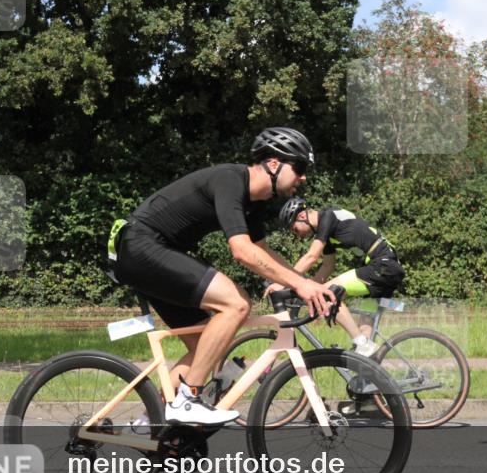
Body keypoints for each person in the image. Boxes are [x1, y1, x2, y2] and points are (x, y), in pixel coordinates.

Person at [109, 128, 337, 427]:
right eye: (300, 168)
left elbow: (261, 251)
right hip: (142, 245)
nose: (304, 177)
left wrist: (305, 283)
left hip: (150, 253)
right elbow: (241, 251)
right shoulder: (231, 180)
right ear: (273, 164)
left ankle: (148, 427)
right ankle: (187, 400)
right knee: (237, 304)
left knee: (209, 346)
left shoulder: (255, 202)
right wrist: (300, 283)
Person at [274, 197, 404, 357]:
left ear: (301, 216)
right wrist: (303, 288)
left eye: (294, 229)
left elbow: (311, 256)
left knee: (326, 294)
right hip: (384, 267)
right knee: (364, 339)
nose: (297, 235)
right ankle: (367, 372)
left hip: (383, 266)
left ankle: (363, 345)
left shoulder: (328, 217)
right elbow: (327, 267)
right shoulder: (326, 233)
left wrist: (283, 281)